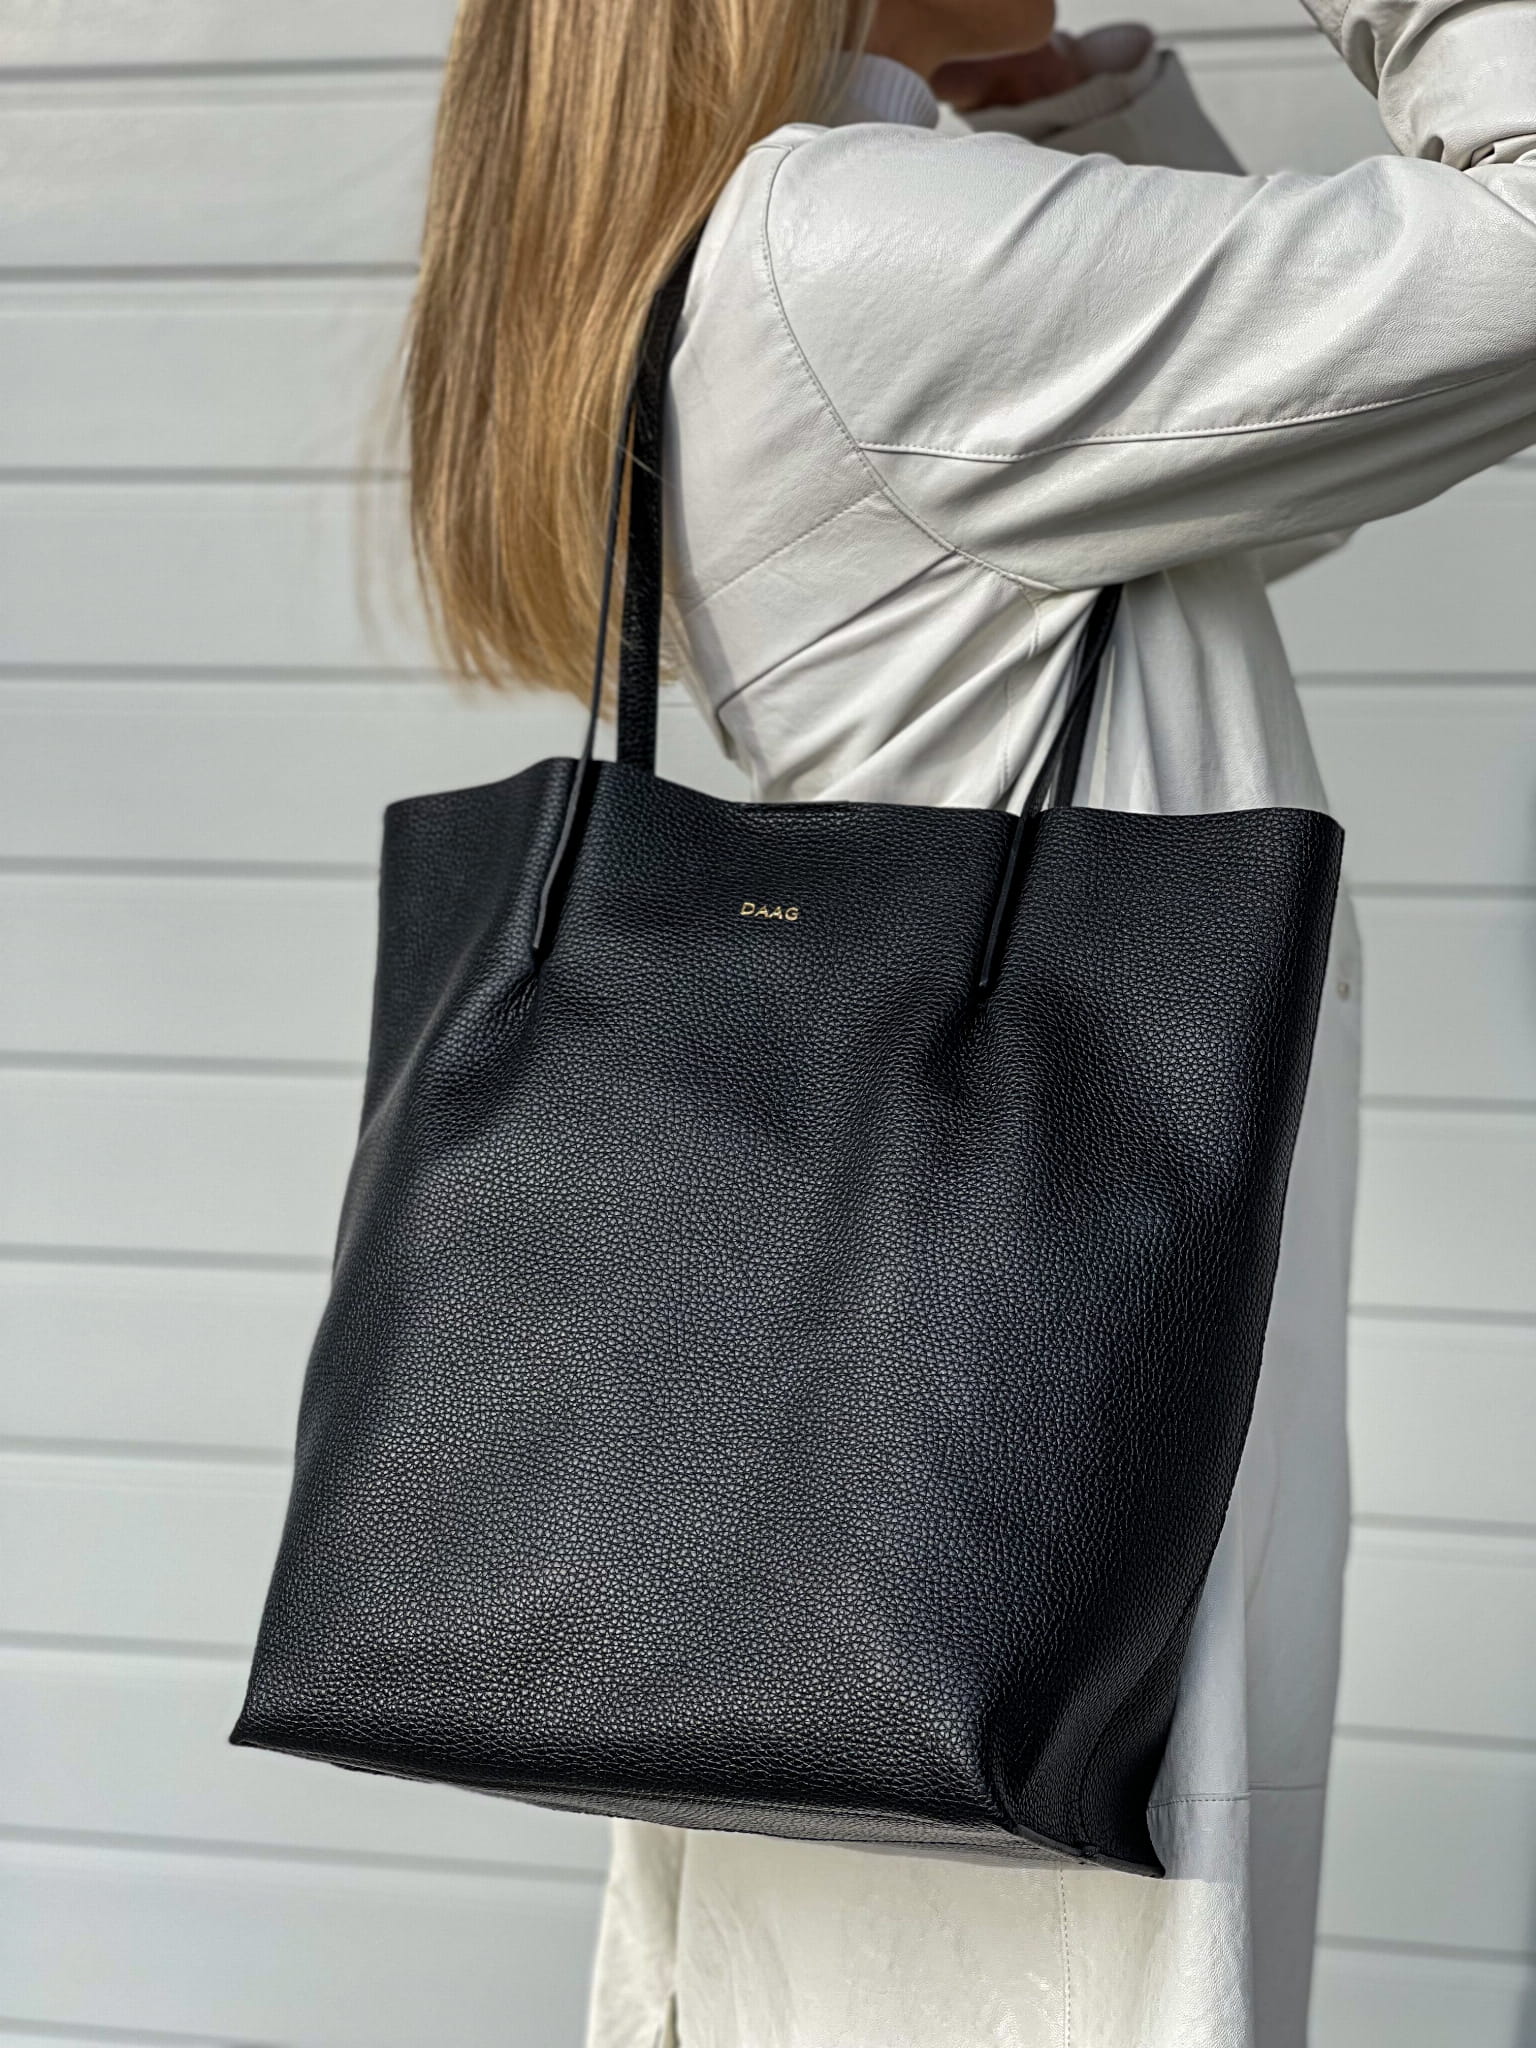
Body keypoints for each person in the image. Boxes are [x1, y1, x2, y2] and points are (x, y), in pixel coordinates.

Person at [403, 1, 1536, 2041]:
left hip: (901, 1447)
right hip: (1024, 1424)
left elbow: (1276, 463)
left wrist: (1047, 88)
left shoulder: (785, 233)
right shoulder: (847, 240)